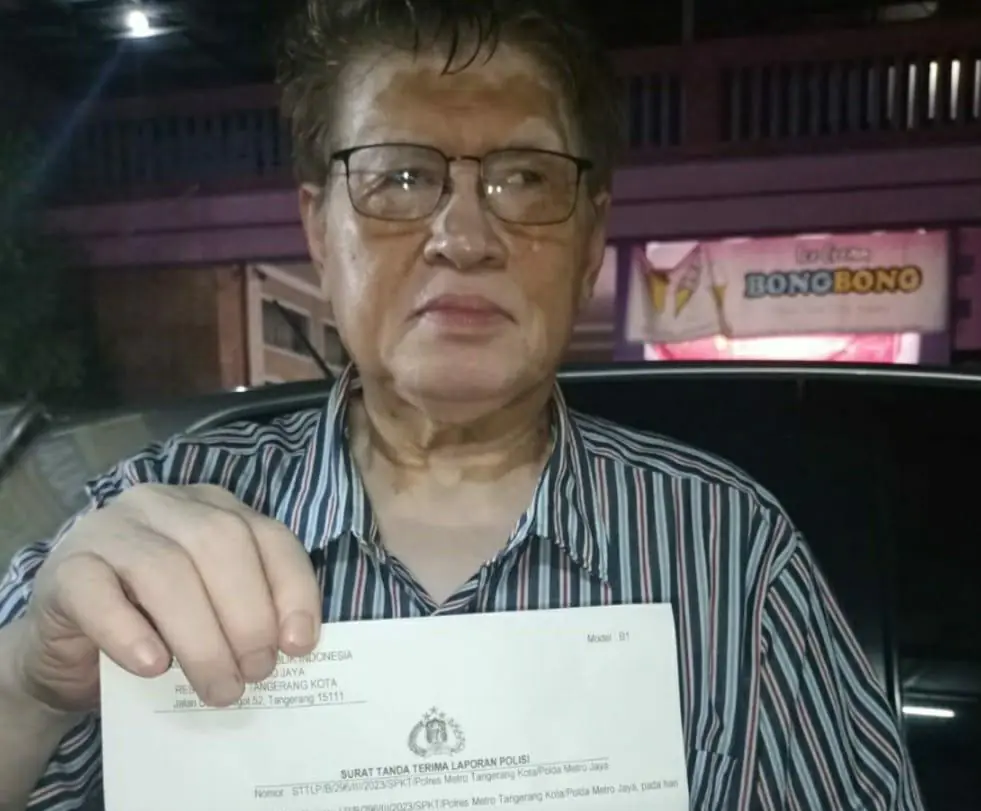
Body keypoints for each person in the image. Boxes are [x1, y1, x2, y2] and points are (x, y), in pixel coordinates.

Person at [0, 1, 923, 809]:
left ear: (591, 238)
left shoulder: (730, 545)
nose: (464, 235)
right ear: (319, 227)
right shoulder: (149, 522)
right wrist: (29, 687)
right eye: (400, 176)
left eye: (524, 177)